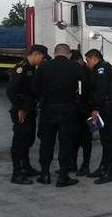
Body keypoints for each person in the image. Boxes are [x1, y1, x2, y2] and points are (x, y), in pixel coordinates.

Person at [34, 43, 83, 187]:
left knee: (46, 143)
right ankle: (63, 176)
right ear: (68, 55)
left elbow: (35, 88)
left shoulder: (44, 66)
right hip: (68, 110)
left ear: (55, 53)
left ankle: (45, 174)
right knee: (66, 144)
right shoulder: (75, 67)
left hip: (48, 110)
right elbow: (82, 89)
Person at [6, 45, 48, 185]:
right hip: (21, 112)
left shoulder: (30, 68)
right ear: (36, 54)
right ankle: (17, 174)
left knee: (28, 140)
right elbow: (11, 91)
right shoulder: (21, 68)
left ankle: (26, 167)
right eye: (42, 57)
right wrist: (20, 108)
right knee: (20, 143)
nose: (42, 60)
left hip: (29, 109)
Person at [85, 49, 112, 184]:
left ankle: (109, 172)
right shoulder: (102, 68)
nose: (87, 63)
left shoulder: (102, 69)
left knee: (110, 142)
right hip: (105, 108)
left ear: (94, 58)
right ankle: (103, 168)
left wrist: (96, 109)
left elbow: (101, 91)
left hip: (107, 109)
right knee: (105, 141)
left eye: (88, 60)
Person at [70, 49, 92, 177]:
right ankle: (73, 164)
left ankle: (85, 165)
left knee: (86, 140)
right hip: (79, 110)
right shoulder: (80, 69)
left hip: (88, 110)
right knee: (75, 139)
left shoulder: (87, 71)